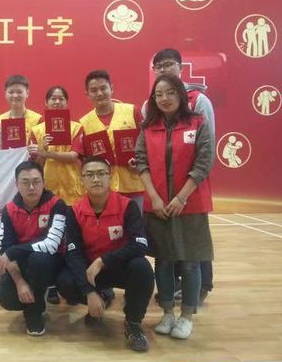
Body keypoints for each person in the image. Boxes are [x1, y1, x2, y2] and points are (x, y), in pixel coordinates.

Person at [135, 74, 214, 340]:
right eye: (158, 94)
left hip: (190, 205)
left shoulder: (198, 123)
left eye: (170, 92)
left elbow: (203, 162)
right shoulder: (148, 127)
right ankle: (167, 313)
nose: (164, 98)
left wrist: (181, 198)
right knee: (163, 261)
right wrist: (154, 198)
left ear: (180, 94)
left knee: (190, 262)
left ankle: (187, 316)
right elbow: (141, 162)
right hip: (158, 206)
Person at [56, 156, 154, 352]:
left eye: (101, 174)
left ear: (111, 177)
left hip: (120, 267)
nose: (96, 179)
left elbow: (140, 245)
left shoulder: (128, 206)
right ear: (82, 180)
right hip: (91, 272)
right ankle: (100, 299)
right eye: (89, 175)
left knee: (142, 268)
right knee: (64, 281)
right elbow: (73, 253)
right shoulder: (74, 211)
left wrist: (103, 261)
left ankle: (133, 323)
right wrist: (89, 292)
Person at [149, 49, 215, 303]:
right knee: (165, 252)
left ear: (180, 66)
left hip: (190, 190)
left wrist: (186, 192)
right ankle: (173, 290)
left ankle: (200, 288)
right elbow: (148, 151)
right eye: (159, 66)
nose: (163, 69)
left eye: (168, 64)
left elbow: (206, 151)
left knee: (193, 250)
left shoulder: (199, 102)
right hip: (161, 192)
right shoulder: (150, 105)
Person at [0, 161, 67, 336]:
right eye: (25, 182)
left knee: (39, 260)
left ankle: (34, 313)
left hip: (51, 263)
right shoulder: (9, 210)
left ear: (44, 183)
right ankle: (31, 300)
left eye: (36, 181)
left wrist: (12, 252)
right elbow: (5, 247)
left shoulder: (57, 205)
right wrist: (19, 282)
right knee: (8, 299)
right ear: (16, 184)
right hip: (21, 265)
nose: (31, 187)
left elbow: (51, 244)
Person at [72, 70, 144, 208]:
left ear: (111, 88)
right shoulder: (84, 123)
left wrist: (140, 162)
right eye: (94, 90)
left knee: (134, 221)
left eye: (103, 88)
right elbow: (81, 159)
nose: (99, 93)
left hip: (133, 186)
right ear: (87, 94)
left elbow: (146, 144)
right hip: (102, 190)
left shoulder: (132, 111)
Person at [29, 86, 84, 206]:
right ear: (46, 102)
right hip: (48, 188)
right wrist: (43, 151)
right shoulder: (36, 130)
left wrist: (48, 153)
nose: (57, 102)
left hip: (72, 189)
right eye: (53, 99)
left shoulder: (77, 127)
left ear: (66, 102)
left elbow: (73, 156)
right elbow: (36, 166)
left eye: (61, 99)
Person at [0, 75, 42, 143]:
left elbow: (42, 146)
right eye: (11, 92)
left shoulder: (37, 119)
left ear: (27, 93)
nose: (15, 95)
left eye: (19, 92)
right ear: (5, 94)